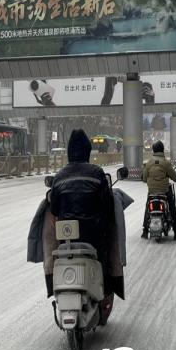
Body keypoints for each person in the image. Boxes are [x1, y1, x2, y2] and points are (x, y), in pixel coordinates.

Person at [49, 129, 117, 324]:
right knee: (106, 257)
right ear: (88, 151)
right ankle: (105, 294)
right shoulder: (96, 173)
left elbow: (54, 209)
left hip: (67, 237)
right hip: (93, 236)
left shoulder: (59, 176)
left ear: (69, 151)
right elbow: (107, 206)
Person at [141, 140, 176, 240]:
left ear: (153, 150)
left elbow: (144, 179)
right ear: (162, 150)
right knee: (172, 208)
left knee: (147, 208)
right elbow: (175, 177)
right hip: (164, 191)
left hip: (152, 192)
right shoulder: (166, 163)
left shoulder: (149, 163)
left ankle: (145, 231)